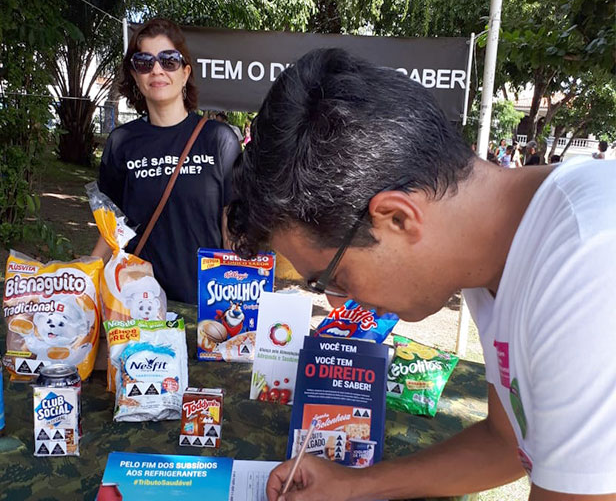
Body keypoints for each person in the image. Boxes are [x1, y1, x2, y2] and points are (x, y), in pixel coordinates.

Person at [226, 49, 616, 500]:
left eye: (332, 278)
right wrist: (355, 485)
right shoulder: (494, 256)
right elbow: (509, 444)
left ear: (396, 218)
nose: (337, 303)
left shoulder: (588, 262)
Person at [92, 18, 240, 304]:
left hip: (202, 306)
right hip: (134, 306)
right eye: (144, 62)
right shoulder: (122, 142)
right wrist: (84, 276)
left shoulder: (219, 140)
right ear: (135, 75)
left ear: (185, 73)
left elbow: (229, 227)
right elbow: (112, 228)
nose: (157, 69)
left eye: (168, 60)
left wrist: (234, 295)